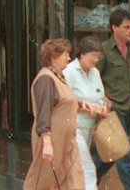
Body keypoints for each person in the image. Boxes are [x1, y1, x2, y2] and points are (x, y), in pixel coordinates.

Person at [23, 38, 84, 190]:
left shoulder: (59, 77)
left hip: (67, 142)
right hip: (52, 140)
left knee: (74, 180)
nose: (69, 59)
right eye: (65, 55)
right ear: (53, 57)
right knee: (44, 182)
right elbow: (43, 111)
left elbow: (65, 103)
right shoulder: (46, 78)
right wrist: (47, 143)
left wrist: (88, 106)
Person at [94, 10, 130, 190]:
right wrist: (105, 100)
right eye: (126, 27)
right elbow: (92, 77)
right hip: (114, 110)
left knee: (111, 153)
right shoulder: (104, 50)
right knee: (124, 155)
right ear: (114, 28)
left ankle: (86, 181)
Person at [62, 36, 109, 190]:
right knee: (87, 167)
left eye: (98, 56)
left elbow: (99, 95)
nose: (96, 60)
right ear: (82, 54)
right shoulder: (69, 72)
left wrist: (102, 107)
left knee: (78, 168)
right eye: (92, 56)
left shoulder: (95, 72)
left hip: (90, 126)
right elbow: (64, 101)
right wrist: (86, 107)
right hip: (73, 127)